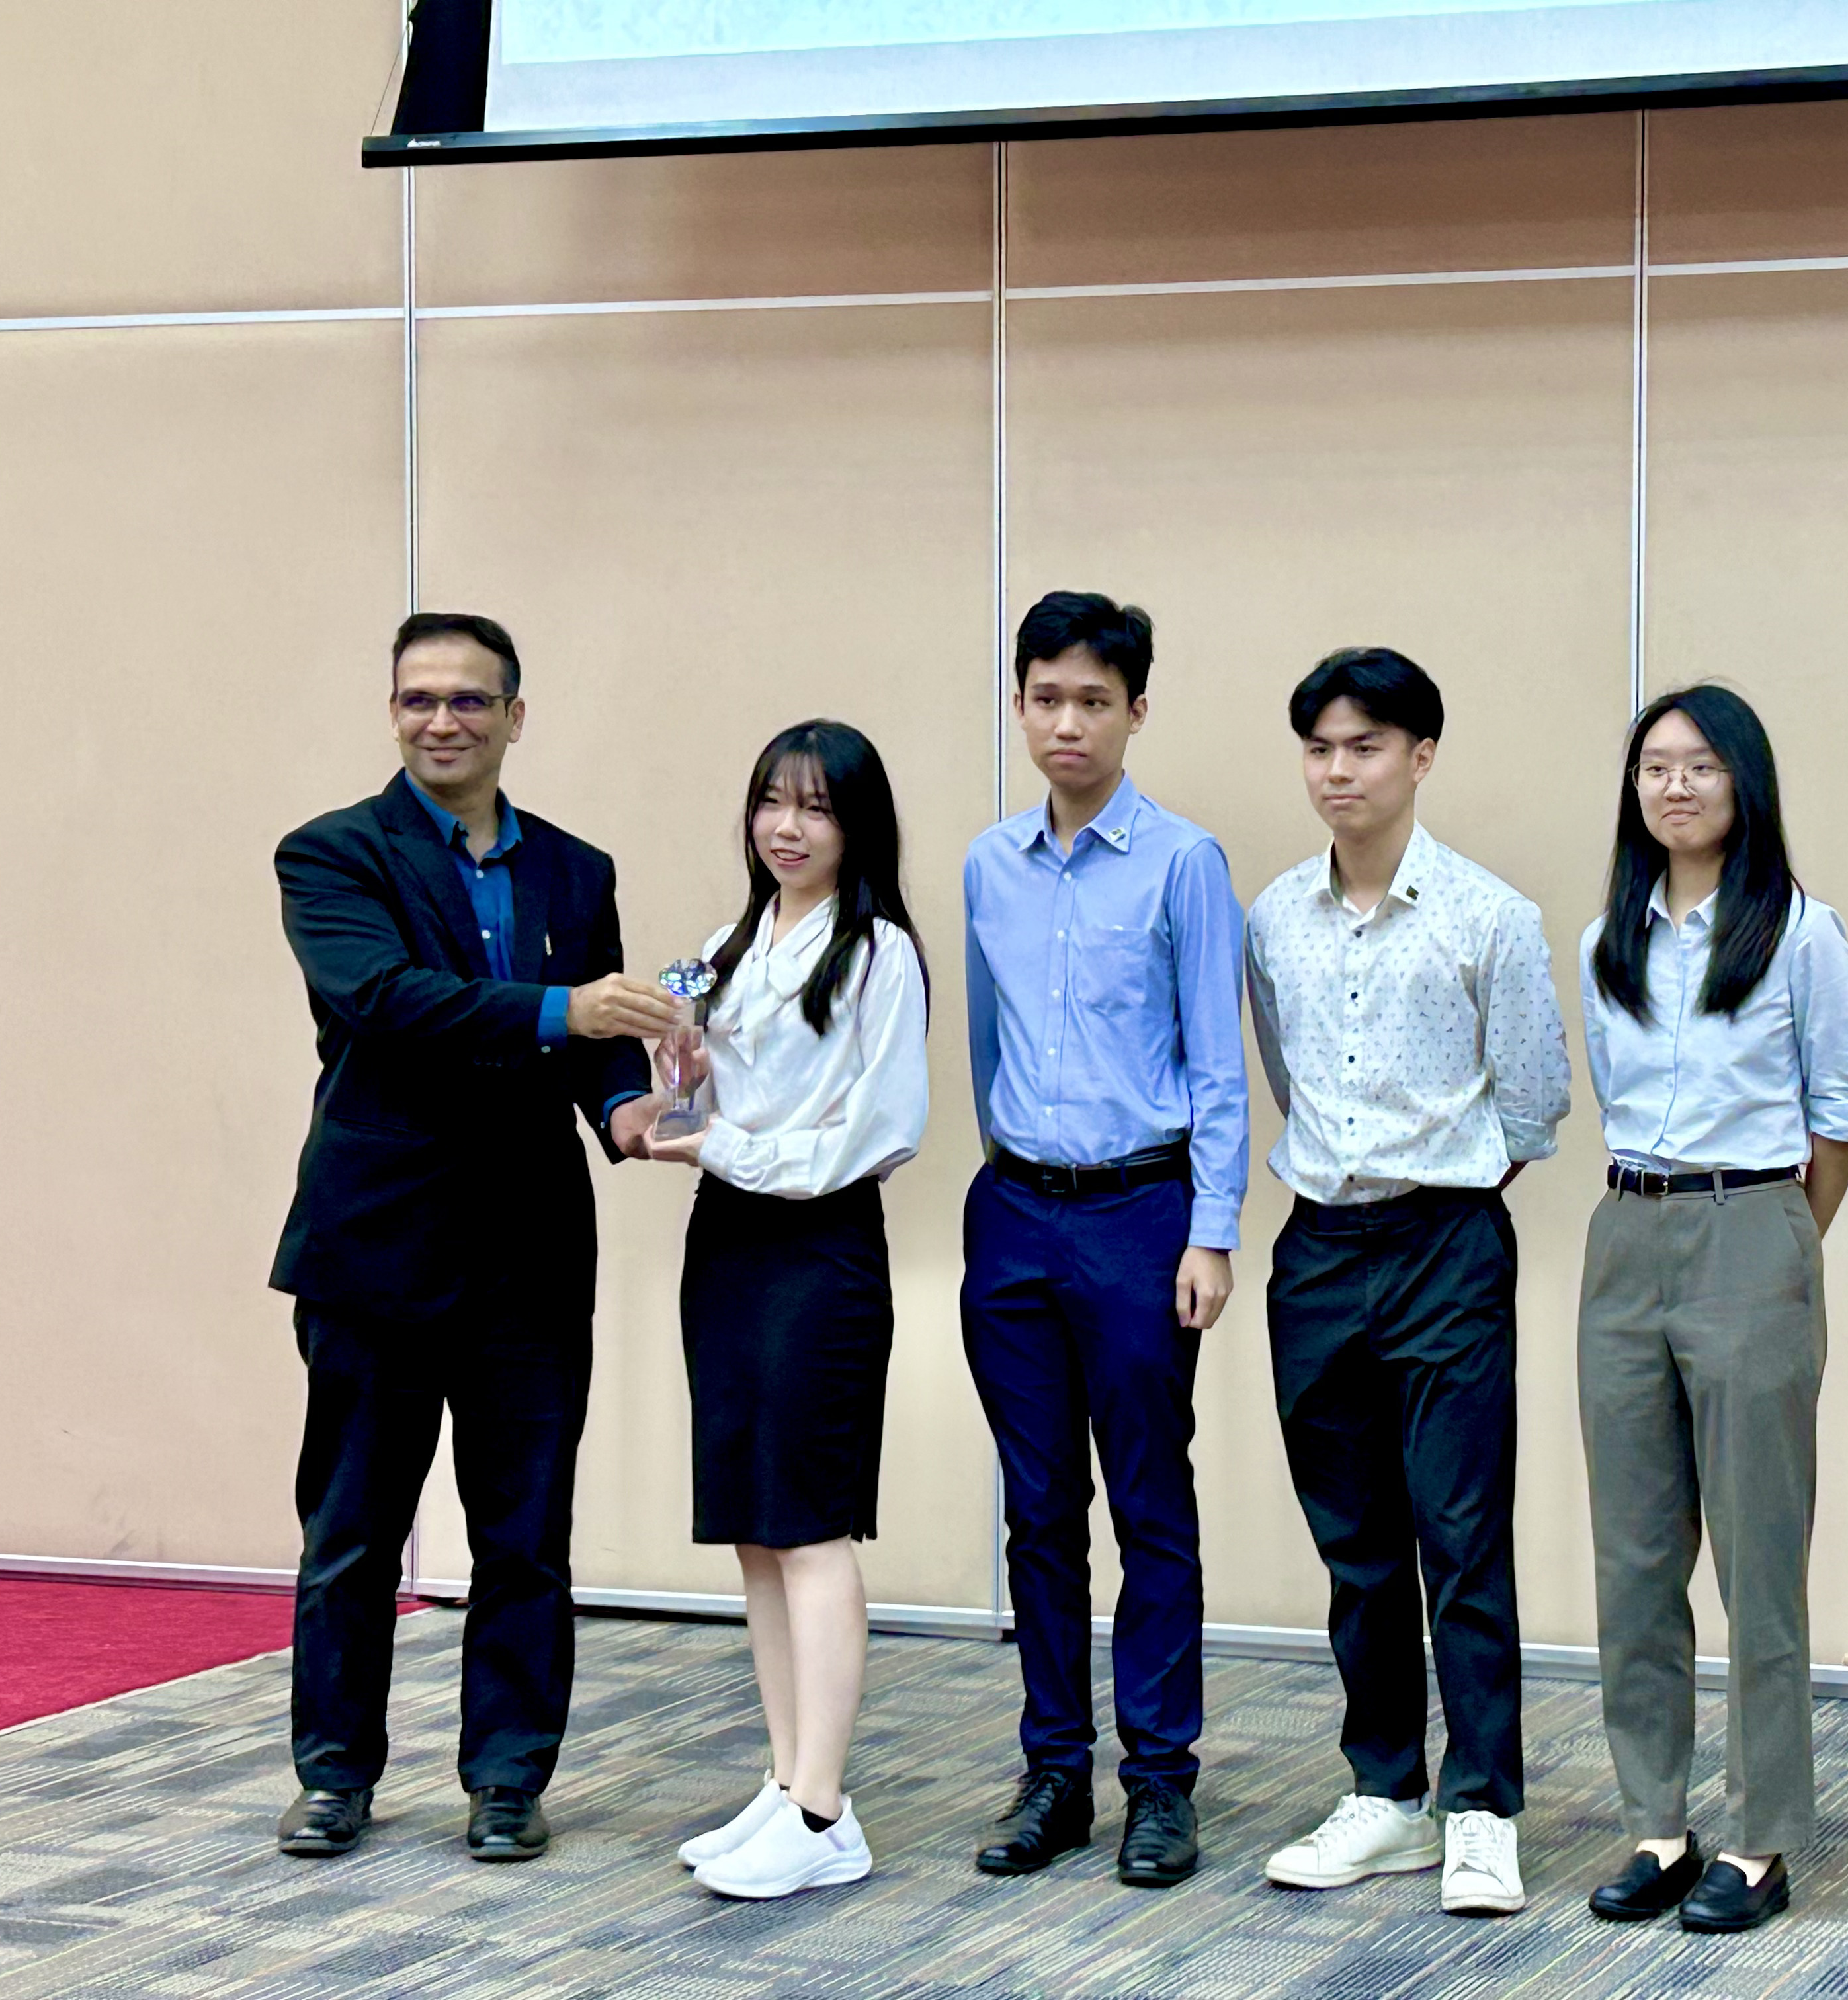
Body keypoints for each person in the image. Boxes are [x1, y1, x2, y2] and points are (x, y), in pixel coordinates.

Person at [269, 612, 667, 1861]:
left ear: (515, 716)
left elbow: (599, 1044)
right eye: (419, 700)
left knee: (526, 1535)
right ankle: (334, 1776)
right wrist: (562, 1012)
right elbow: (385, 1002)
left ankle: (508, 1779)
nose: (442, 721)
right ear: (393, 713)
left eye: (469, 700)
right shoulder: (332, 854)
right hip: (376, 1248)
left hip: (530, 1256)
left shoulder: (576, 871)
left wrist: (629, 1109)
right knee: (352, 1533)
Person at [1248, 647, 1572, 1919]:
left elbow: (1534, 1102)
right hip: (1319, 1248)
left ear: (1422, 756)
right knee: (1358, 1545)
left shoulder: (1489, 916)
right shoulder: (1275, 917)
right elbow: (1287, 1076)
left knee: (1461, 1534)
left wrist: (1438, 1179)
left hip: (1446, 1243)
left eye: (1366, 746)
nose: (1340, 771)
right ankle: (1384, 1792)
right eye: (1320, 748)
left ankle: (1481, 1806)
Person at [959, 591, 1248, 1890]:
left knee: (1148, 1503)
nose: (1067, 723)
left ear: (1136, 711)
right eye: (1046, 698)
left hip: (1142, 1217)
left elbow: (1218, 1063)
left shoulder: (1184, 862)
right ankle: (1055, 1774)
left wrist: (1212, 1229)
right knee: (1035, 1512)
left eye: (1093, 700)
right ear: (1020, 706)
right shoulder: (988, 864)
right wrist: (1009, 1176)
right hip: (1016, 1214)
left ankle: (1163, 1783)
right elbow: (988, 1046)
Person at [1574, 685, 1848, 1934]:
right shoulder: (1609, 939)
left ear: (1745, 781)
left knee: (1757, 1557)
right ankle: (1657, 1822)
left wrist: (1779, 1245)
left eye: (1702, 765)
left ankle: (1759, 1837)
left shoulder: (1801, 932)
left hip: (1752, 1226)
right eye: (1656, 766)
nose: (1677, 786)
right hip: (1624, 1236)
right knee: (1635, 1557)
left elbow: (1840, 1115)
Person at [646, 721, 929, 1900]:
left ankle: (822, 1810)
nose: (787, 827)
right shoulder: (728, 944)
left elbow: (882, 1131)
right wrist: (678, 1076)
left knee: (809, 1527)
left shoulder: (880, 953)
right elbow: (692, 1104)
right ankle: (785, 1783)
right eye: (772, 801)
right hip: (726, 1243)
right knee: (756, 1529)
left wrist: (723, 1143)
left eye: (816, 807)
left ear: (857, 826)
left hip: (819, 1247)